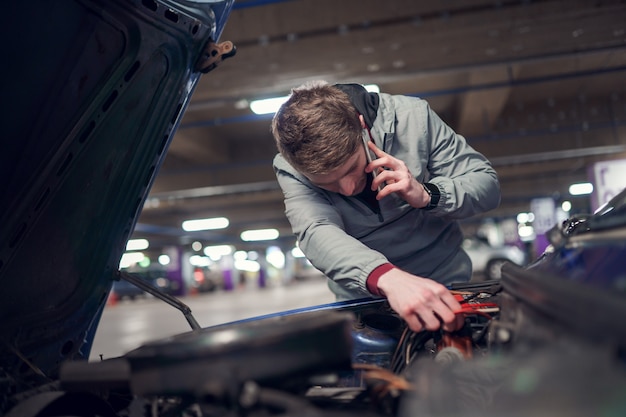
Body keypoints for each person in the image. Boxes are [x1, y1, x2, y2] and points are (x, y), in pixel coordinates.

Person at [271, 81, 500, 333]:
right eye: (328, 183)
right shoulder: (291, 169)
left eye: (351, 169)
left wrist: (427, 194)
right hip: (363, 300)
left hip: (445, 280)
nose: (347, 189)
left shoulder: (412, 119)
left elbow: (486, 184)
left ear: (361, 126)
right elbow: (316, 231)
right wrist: (386, 278)